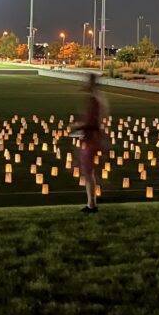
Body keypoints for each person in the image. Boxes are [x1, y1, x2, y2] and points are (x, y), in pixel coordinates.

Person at [73, 75, 108, 213]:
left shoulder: (94, 100)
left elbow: (92, 121)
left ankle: (92, 205)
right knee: (88, 171)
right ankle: (91, 203)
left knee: (88, 172)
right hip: (92, 138)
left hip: (91, 139)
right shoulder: (96, 98)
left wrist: (78, 125)